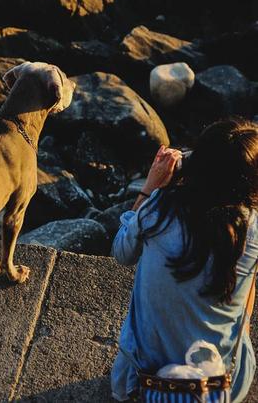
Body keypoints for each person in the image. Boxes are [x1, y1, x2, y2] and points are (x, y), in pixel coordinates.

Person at [111, 118, 258, 402]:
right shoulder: (252, 229)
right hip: (220, 388)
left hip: (140, 385)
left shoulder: (158, 208)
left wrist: (149, 188)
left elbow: (121, 252)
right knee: (246, 278)